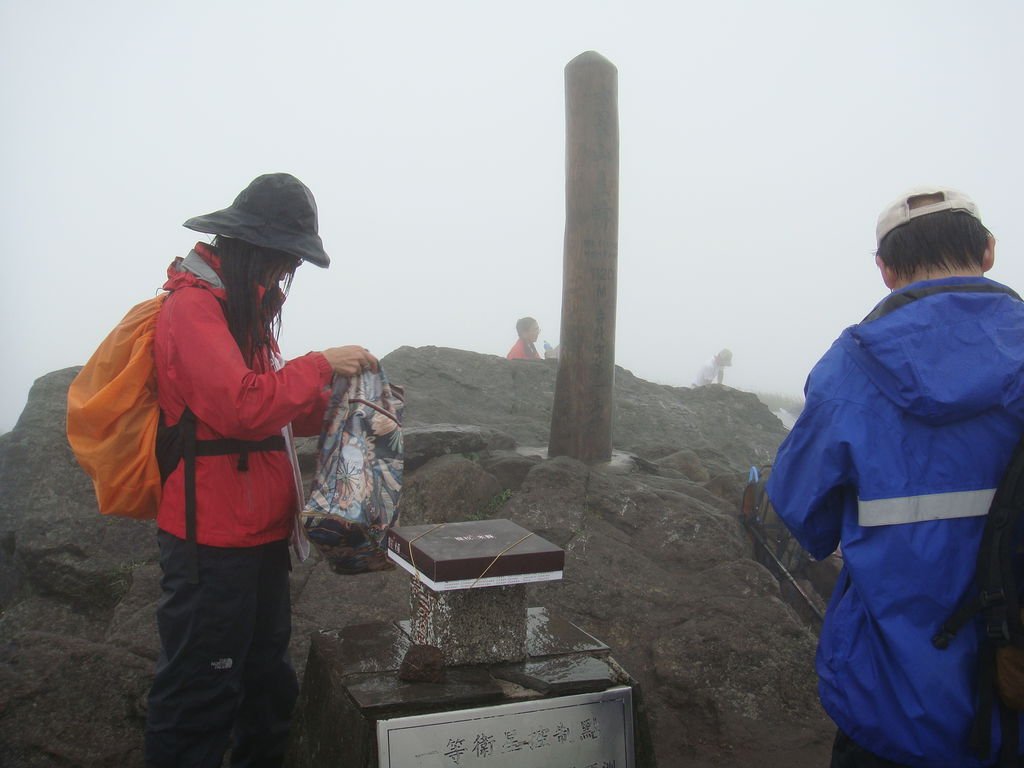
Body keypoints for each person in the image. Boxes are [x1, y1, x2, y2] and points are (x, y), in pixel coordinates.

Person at [766, 186, 1024, 767]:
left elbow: (803, 513)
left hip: (892, 698)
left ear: (884, 270)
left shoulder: (850, 368)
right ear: (987, 251)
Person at [144, 173, 378, 768]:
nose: (284, 277)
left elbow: (271, 406)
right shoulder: (192, 309)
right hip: (210, 542)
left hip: (260, 536)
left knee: (266, 685)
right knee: (200, 693)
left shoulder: (241, 312)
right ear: (250, 248)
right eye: (280, 262)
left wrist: (351, 413)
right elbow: (241, 406)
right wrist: (320, 363)